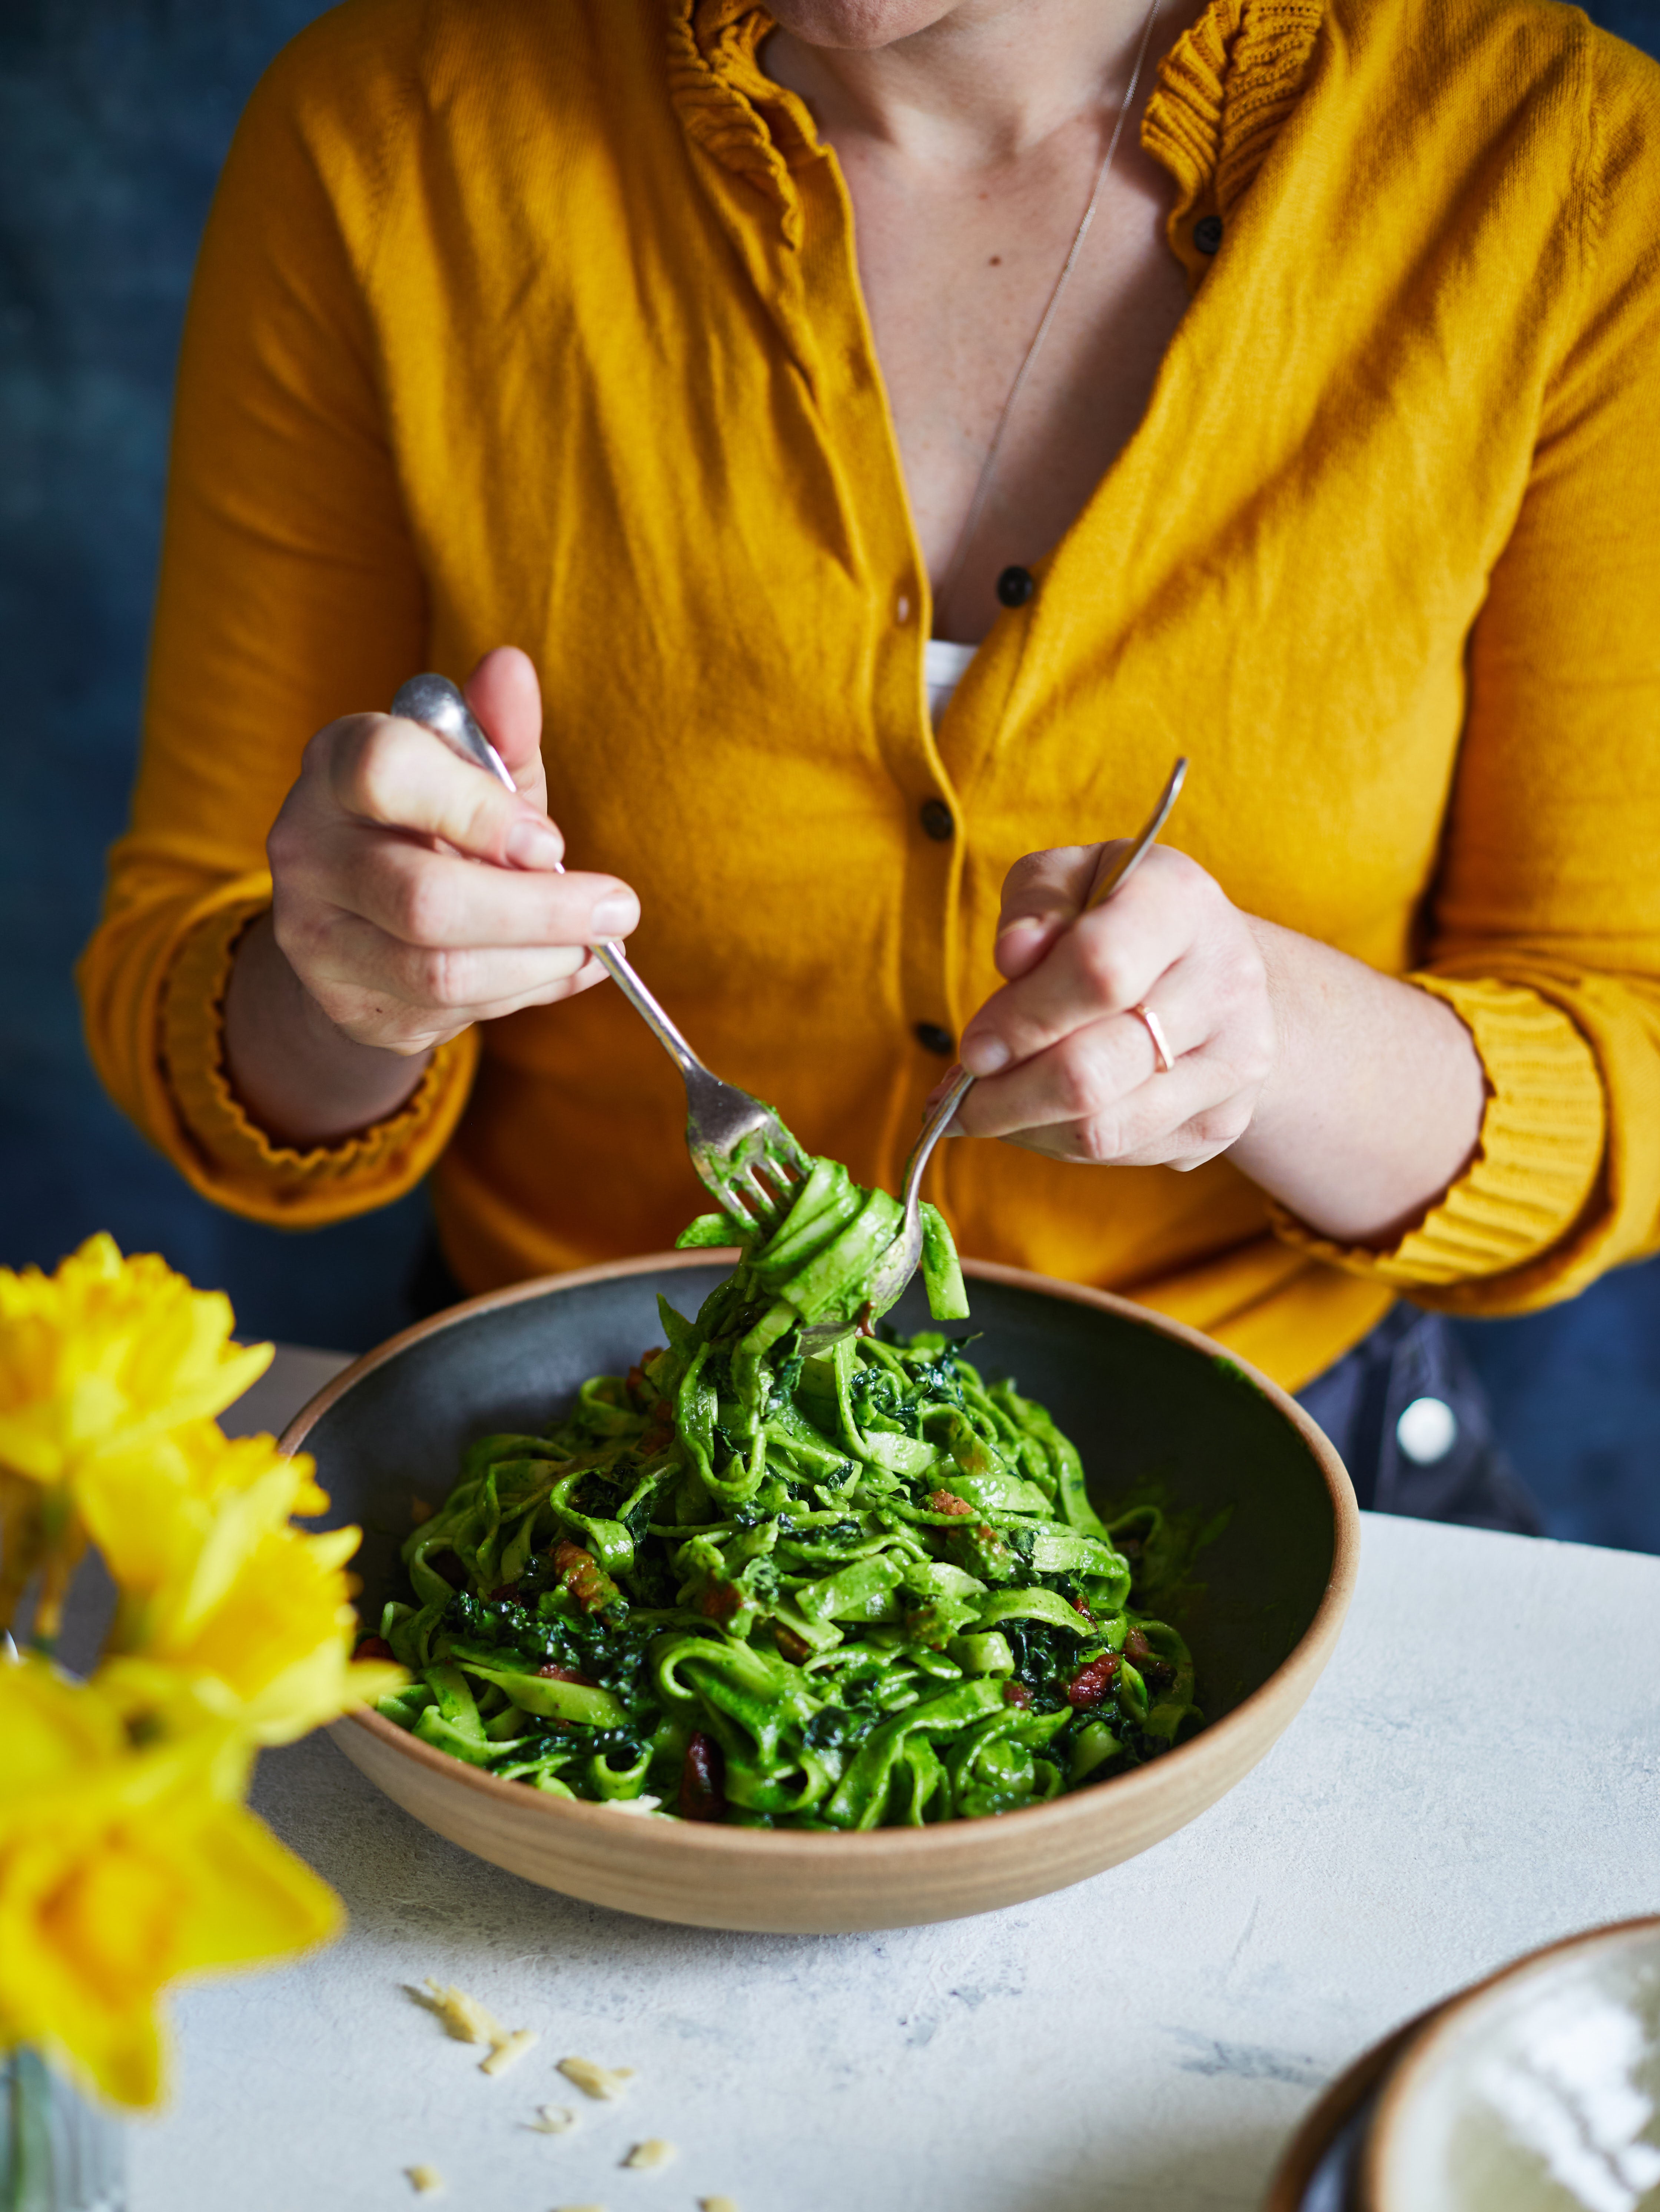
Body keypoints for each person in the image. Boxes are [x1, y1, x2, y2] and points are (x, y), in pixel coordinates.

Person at [81, 0, 1660, 1529]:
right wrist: (352, 982)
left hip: (1287, 1465)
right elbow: (213, 1018)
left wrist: (1268, 1041)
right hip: (572, 1450)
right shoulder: (387, 133)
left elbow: (1626, 1061)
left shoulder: (1565, 168)